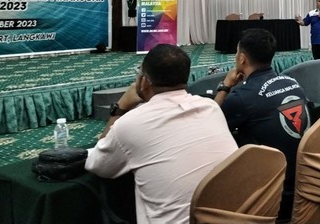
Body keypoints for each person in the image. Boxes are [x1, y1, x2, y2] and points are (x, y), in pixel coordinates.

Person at [85, 44, 238, 224]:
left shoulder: (130, 124)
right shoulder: (210, 107)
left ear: (144, 81)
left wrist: (120, 108)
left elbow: (99, 165)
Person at [214, 28, 309, 221]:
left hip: (269, 198)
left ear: (242, 58)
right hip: (301, 187)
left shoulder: (242, 98)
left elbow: (210, 125)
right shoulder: (293, 83)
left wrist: (225, 86)